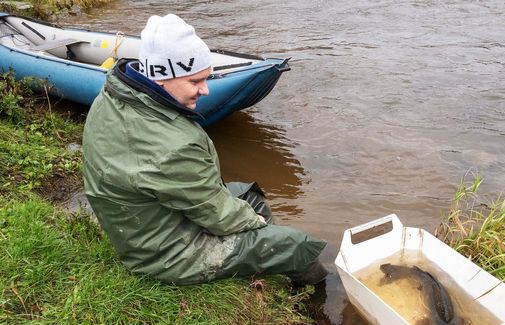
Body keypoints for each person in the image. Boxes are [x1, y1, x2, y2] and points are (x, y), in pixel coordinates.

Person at [82, 14, 327, 285]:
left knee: (249, 194)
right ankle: (317, 292)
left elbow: (197, 193)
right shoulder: (172, 147)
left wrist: (250, 220)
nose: (206, 90)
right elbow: (218, 214)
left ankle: (265, 263)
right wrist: (254, 223)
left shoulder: (114, 94)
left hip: (142, 224)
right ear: (163, 76)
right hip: (165, 253)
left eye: (206, 78)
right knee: (295, 245)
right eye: (195, 81)